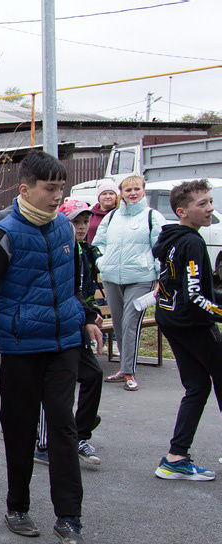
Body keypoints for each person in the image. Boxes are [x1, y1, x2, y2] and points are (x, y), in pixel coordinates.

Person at [0, 151, 101, 544]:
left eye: (62, 188)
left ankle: (69, 518)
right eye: (49, 188)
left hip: (64, 344)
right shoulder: (5, 234)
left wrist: (86, 314)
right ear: (26, 189)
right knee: (19, 428)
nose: (58, 197)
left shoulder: (63, 231)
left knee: (62, 426)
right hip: (21, 345)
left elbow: (76, 280)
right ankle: (17, 507)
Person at [150, 179, 219, 481]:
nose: (210, 209)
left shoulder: (175, 238)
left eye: (210, 202)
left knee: (198, 386)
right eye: (202, 204)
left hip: (172, 320)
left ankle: (175, 457)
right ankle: (176, 457)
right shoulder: (191, 241)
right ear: (182, 211)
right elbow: (196, 297)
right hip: (191, 324)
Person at [35, 200, 104, 467]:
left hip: (77, 320)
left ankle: (79, 434)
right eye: (76, 222)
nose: (81, 227)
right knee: (52, 384)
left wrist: (91, 312)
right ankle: (44, 444)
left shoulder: (84, 251)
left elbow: (82, 289)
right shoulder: (57, 248)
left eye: (85, 222)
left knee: (94, 375)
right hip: (56, 325)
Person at [92, 174, 164, 391]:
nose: (132, 193)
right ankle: (124, 368)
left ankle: (129, 371)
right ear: (121, 193)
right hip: (112, 277)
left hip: (141, 278)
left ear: (143, 191)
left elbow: (161, 249)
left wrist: (160, 276)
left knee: (131, 323)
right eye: (128, 190)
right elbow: (98, 243)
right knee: (120, 322)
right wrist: (102, 262)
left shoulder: (153, 217)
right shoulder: (112, 217)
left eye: (137, 189)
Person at [86, 179, 119, 243]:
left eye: (111, 193)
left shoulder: (119, 214)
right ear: (99, 197)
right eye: (104, 194)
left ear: (116, 196)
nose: (108, 196)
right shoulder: (90, 214)